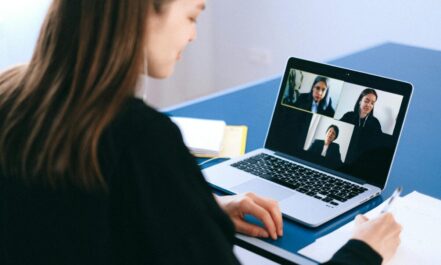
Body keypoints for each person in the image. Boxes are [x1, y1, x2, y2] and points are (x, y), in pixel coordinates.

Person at [0, 0, 401, 264]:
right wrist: (363, 252)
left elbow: (80, 212)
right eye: (191, 16)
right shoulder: (141, 137)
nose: (192, 34)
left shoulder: (11, 92)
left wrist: (200, 209)